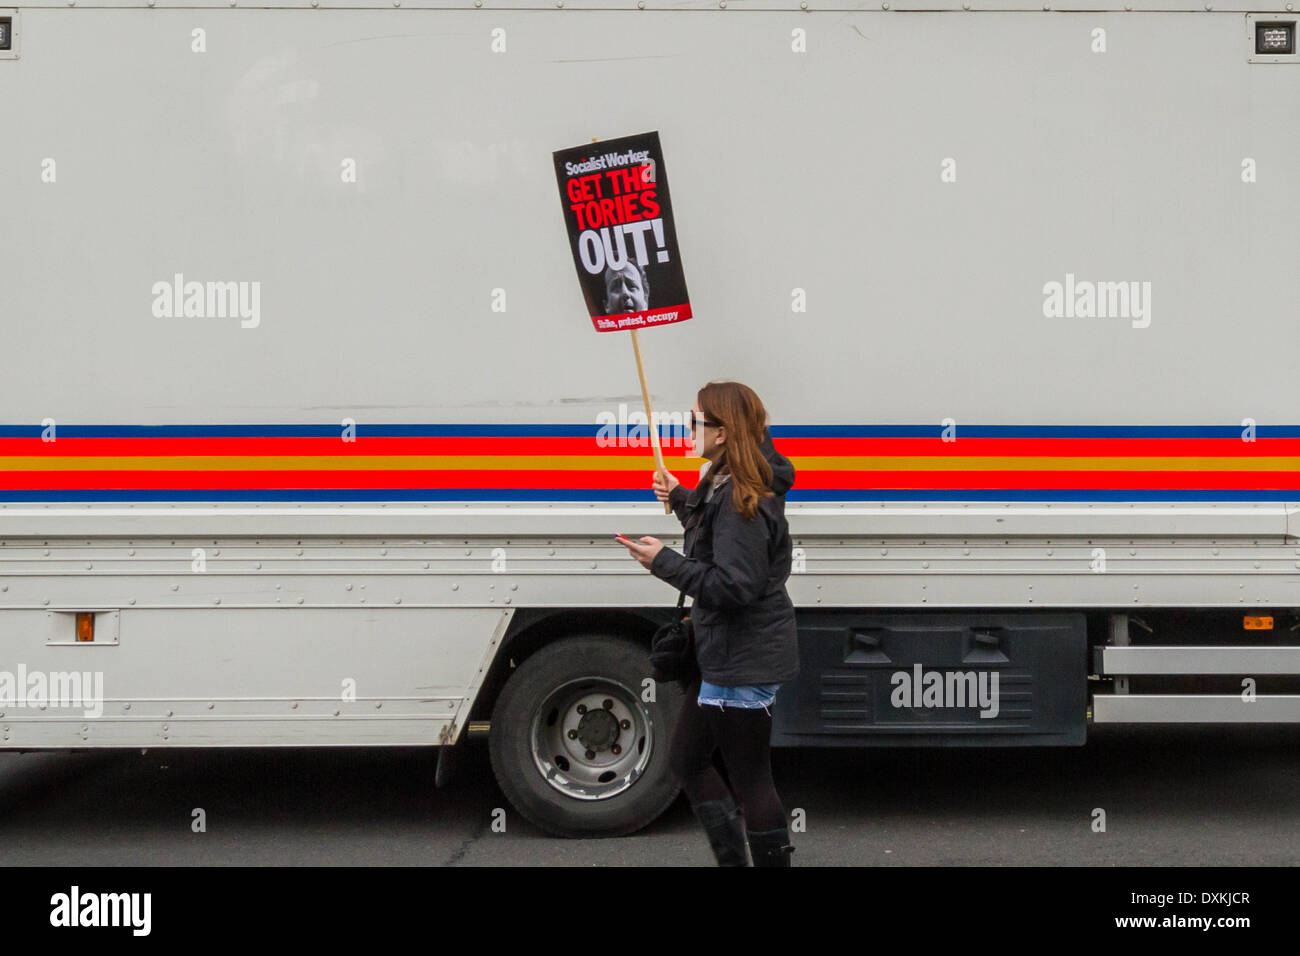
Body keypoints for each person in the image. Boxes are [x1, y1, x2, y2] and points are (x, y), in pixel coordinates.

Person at [616, 381, 799, 866]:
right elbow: (716, 536)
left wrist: (662, 562)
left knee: (751, 780)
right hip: (726, 652)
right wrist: (679, 497)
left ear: (723, 432)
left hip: (741, 655)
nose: (687, 428)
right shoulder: (724, 480)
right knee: (687, 761)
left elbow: (734, 585)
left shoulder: (740, 492)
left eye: (695, 421)